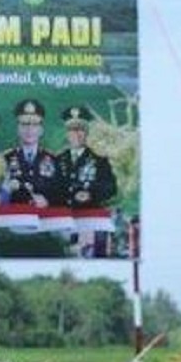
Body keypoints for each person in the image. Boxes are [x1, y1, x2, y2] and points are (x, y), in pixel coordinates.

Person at [57, 105, 118, 256]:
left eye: (80, 130)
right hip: (63, 221)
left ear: (86, 133)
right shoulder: (57, 160)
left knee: (86, 255)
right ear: (67, 133)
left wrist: (90, 194)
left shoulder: (99, 161)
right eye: (72, 130)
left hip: (88, 222)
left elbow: (110, 187)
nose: (76, 134)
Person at [2, 99, 61, 207]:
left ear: (41, 130)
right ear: (18, 129)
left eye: (35, 124)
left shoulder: (53, 159)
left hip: (45, 220)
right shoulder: (5, 159)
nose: (29, 129)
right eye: (24, 124)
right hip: (15, 219)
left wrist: (47, 201)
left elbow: (60, 193)